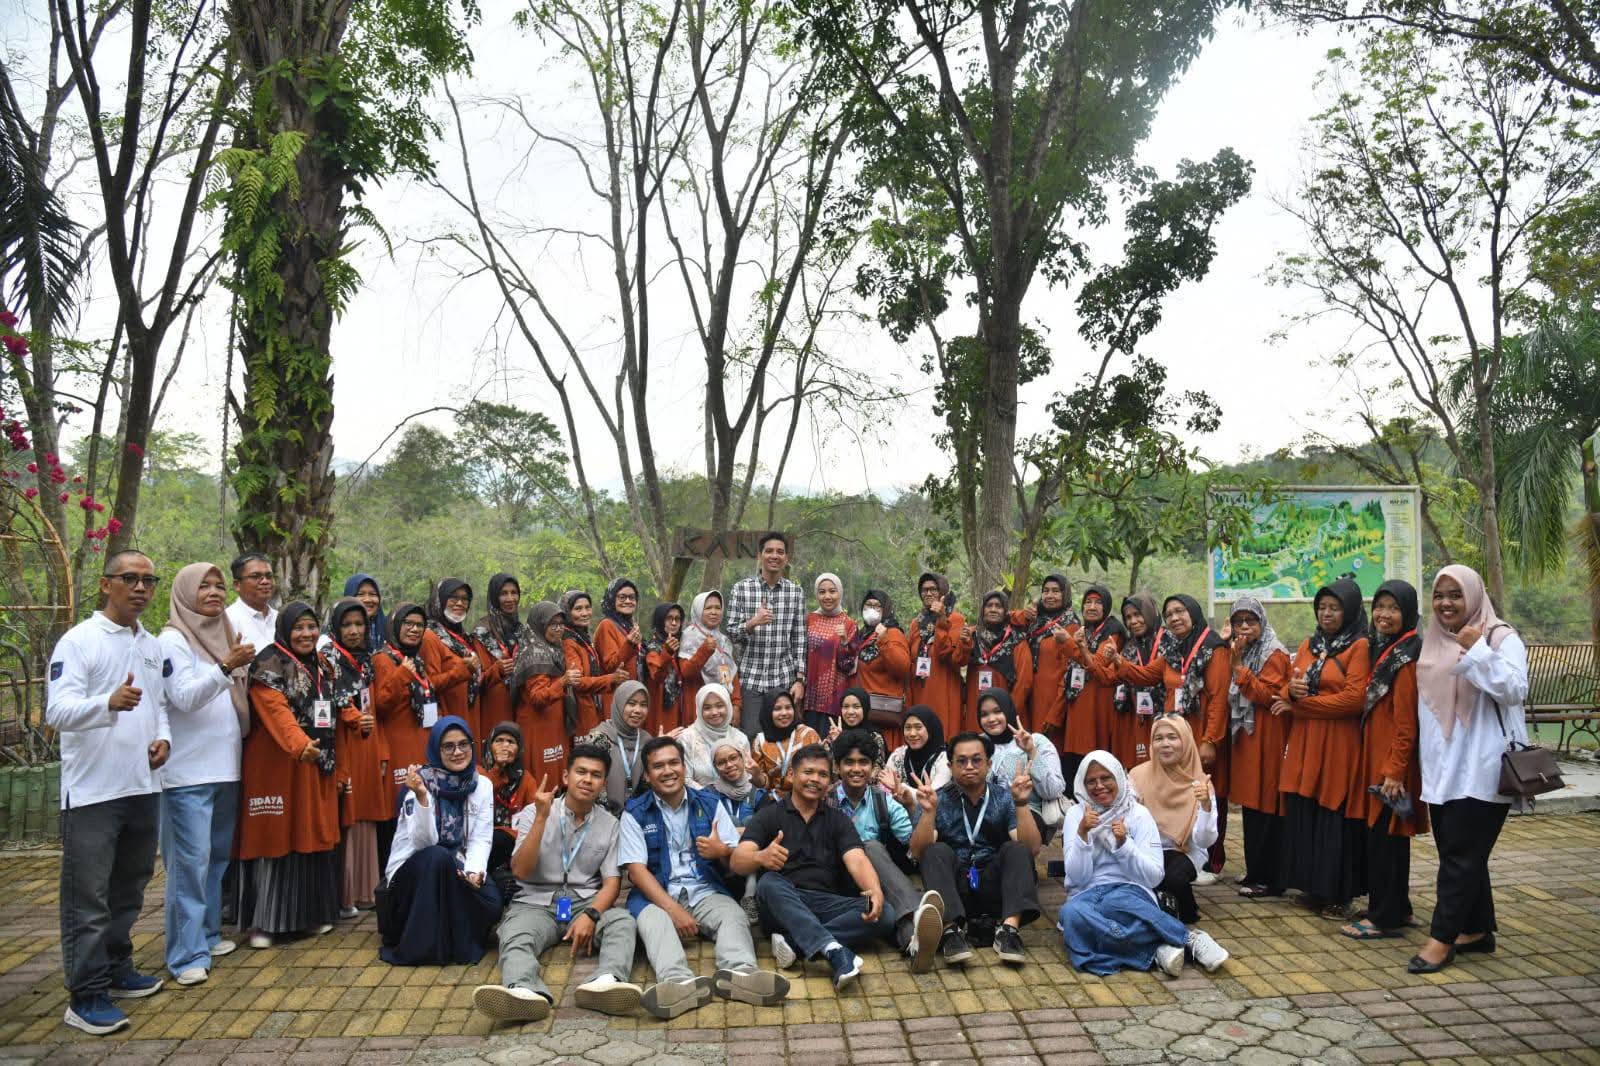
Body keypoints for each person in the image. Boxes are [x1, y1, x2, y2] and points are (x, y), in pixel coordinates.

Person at [47, 550, 172, 1034]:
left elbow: (159, 706)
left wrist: (164, 738)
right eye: (129, 578)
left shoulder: (151, 644)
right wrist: (108, 703)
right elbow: (58, 713)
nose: (140, 587)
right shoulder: (79, 641)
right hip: (94, 792)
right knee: (88, 898)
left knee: (130, 888)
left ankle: (119, 969)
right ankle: (86, 995)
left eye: (148, 580)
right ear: (106, 584)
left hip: (142, 784)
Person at [1408, 565, 1527, 974]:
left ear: (1474, 597)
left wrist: (1478, 651)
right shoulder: (1432, 643)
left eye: (1456, 595)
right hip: (1443, 771)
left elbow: (1515, 689)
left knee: (1459, 857)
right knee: (1459, 853)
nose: (1446, 603)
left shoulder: (1500, 637)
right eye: (1440, 595)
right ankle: (1477, 929)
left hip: (1483, 770)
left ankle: (1442, 939)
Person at [620, 736, 790, 1019]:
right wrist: (673, 910)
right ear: (648, 776)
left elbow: (733, 861)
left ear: (684, 767)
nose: (668, 771)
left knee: (733, 916)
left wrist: (721, 850)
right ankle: (677, 982)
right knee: (655, 922)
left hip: (704, 888)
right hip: (657, 893)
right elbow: (637, 872)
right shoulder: (635, 812)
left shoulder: (709, 802)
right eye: (658, 766)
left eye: (674, 762)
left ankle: (739, 973)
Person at [473, 745, 642, 1023]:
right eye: (581, 772)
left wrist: (591, 915)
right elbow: (521, 871)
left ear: (603, 784)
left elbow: (612, 883)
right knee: (514, 935)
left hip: (583, 901)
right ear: (566, 776)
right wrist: (541, 818)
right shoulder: (534, 811)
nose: (587, 780)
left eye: (596, 775)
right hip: (535, 901)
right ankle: (523, 991)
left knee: (623, 923)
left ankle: (606, 982)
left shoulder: (610, 824)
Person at [157, 562, 255, 988]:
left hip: (225, 768)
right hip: (188, 774)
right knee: (188, 867)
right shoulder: (173, 640)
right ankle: (185, 954)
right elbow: (183, 697)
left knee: (215, 862)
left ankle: (209, 935)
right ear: (184, 592)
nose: (213, 592)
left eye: (218, 586)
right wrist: (224, 667)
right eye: (204, 586)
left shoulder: (225, 635)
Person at [731, 743, 890, 989]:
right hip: (783, 902)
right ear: (792, 775)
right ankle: (835, 951)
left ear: (829, 780)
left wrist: (875, 890)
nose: (815, 779)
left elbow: (857, 858)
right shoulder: (770, 815)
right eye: (808, 772)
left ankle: (795, 942)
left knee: (885, 912)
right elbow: (738, 860)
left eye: (823, 774)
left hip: (826, 902)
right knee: (768, 883)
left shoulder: (837, 819)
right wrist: (761, 857)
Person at [238, 602, 341, 950]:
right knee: (276, 838)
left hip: (314, 762)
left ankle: (304, 918)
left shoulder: (321, 664)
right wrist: (299, 745)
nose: (306, 634)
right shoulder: (270, 664)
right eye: (298, 628)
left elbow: (332, 709)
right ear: (284, 630)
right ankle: (263, 925)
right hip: (278, 765)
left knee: (307, 834)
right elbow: (275, 711)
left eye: (311, 627)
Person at [1273, 578, 1371, 921]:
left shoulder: (1359, 646)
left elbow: (1355, 699)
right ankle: (1313, 887)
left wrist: (1303, 706)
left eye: (1334, 608)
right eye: (1322, 607)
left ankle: (1339, 893)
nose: (1327, 614)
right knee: (1306, 811)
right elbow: (1287, 690)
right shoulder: (1309, 644)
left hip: (1338, 743)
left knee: (1334, 814)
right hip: (1305, 743)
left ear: (1351, 611)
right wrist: (1292, 691)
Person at [1112, 595, 1230, 876]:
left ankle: (1211, 861)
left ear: (1193, 612)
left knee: (1204, 792)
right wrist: (1119, 662)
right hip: (1173, 732)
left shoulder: (1215, 648)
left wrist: (1210, 740)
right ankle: (1179, 848)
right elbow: (1145, 676)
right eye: (1169, 614)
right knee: (1175, 792)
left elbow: (1218, 699)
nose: (1175, 618)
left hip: (1199, 733)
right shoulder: (1173, 650)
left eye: (1180, 611)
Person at [909, 731, 1042, 967]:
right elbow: (919, 852)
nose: (969, 766)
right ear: (950, 766)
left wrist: (1021, 804)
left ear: (988, 764)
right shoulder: (935, 798)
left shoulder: (1003, 797)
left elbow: (1032, 849)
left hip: (995, 888)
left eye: (976, 760)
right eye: (961, 761)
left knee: (1017, 848)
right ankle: (950, 932)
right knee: (934, 850)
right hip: (954, 891)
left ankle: (1009, 931)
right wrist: (929, 813)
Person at [1057, 751, 1192, 977]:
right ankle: (1157, 947)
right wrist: (1082, 834)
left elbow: (1154, 877)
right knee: (1069, 914)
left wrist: (1123, 845)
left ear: (1119, 777)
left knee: (1109, 908)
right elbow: (1077, 878)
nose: (1099, 786)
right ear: (1082, 783)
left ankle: (1183, 939)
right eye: (1091, 781)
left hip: (1129, 891)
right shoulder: (1076, 814)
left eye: (1106, 778)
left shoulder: (1138, 814)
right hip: (1086, 894)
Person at [1345, 580, 1428, 942]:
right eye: (1380, 606)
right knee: (1388, 840)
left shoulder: (1406, 658)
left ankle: (1384, 918)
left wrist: (1394, 771)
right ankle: (1398, 906)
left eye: (1394, 608)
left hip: (1391, 767)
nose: (1384, 615)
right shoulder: (1388, 650)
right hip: (1379, 759)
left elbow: (1407, 723)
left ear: (1407, 612)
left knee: (1386, 841)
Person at [382, 716, 502, 966]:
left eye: (463, 744)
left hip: (456, 864)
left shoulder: (481, 784)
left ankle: (450, 931)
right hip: (415, 869)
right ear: (436, 749)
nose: (458, 752)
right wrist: (422, 797)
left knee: (492, 903)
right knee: (437, 857)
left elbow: (481, 837)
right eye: (448, 746)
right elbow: (421, 844)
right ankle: (426, 947)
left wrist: (473, 872)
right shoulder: (418, 783)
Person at [827, 730, 945, 972]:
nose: (856, 769)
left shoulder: (884, 801)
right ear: (837, 766)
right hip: (833, 880)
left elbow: (915, 848)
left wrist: (924, 812)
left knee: (889, 912)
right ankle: (916, 915)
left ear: (872, 768)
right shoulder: (823, 800)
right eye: (849, 762)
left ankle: (913, 943)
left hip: (873, 887)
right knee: (867, 846)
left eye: (863, 762)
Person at [1126, 716, 1230, 972]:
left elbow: (1205, 841)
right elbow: (1129, 824)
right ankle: (1180, 920)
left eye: (1172, 737)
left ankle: (1171, 924)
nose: (1165, 744)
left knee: (1170, 876)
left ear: (1186, 742)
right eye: (1158, 738)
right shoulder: (1138, 776)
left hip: (1183, 851)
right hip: (1146, 847)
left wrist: (1205, 806)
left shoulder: (1200, 784)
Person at [372, 603, 461, 873]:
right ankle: (394, 874)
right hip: (398, 746)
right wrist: (401, 674)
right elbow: (382, 705)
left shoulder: (417, 659)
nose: (414, 629)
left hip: (422, 742)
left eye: (419, 625)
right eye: (408, 623)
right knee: (397, 810)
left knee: (423, 808)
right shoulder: (383, 659)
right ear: (395, 625)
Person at [321, 597, 385, 919]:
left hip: (365, 741)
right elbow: (324, 701)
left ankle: (363, 889)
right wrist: (350, 717)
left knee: (364, 813)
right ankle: (343, 894)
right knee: (346, 812)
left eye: (360, 624)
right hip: (342, 742)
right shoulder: (327, 659)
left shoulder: (367, 660)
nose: (354, 631)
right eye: (347, 624)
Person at [1224, 596, 1292, 898]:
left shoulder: (1272, 651)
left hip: (1267, 734)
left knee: (1266, 804)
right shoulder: (1244, 650)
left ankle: (1271, 878)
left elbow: (1267, 696)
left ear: (1261, 622)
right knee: (1252, 806)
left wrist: (1238, 667)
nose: (1244, 626)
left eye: (1250, 620)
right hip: (1248, 736)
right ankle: (1256, 871)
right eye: (1239, 621)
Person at [725, 532, 807, 740]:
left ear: (786, 558)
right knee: (751, 738)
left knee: (782, 739)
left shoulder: (795, 592)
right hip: (751, 681)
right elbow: (732, 634)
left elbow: (799, 640)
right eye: (769, 551)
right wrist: (753, 623)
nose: (774, 556)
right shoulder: (741, 589)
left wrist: (799, 680)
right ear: (759, 556)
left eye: (780, 552)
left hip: (782, 679)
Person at [976, 688, 1067, 843]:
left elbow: (1053, 790)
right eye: (984, 714)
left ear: (1008, 710)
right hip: (984, 813)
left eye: (997, 711)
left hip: (1026, 812)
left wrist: (1031, 752)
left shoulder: (1037, 741)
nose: (991, 719)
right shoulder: (977, 744)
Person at [1064, 584, 1126, 784]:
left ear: (1106, 607)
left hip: (1100, 706)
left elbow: (1097, 664)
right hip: (1078, 705)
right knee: (1075, 763)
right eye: (1088, 602)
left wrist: (1069, 644)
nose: (1092, 607)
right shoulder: (1085, 630)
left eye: (1098, 603)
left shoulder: (1112, 632)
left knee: (1096, 758)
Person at [837, 589, 911, 749]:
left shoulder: (893, 633)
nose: (872, 609)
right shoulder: (863, 634)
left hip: (883, 714)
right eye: (868, 605)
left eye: (877, 606)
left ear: (886, 609)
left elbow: (902, 668)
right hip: (862, 713)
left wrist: (883, 640)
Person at [511, 602, 574, 784]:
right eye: (552, 624)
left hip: (554, 725)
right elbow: (537, 698)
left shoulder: (553, 649)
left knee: (557, 778)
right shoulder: (534, 652)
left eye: (561, 624)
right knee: (542, 782)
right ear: (539, 624)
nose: (558, 629)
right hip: (538, 728)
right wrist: (562, 682)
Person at [1012, 574, 1077, 749]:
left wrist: (1055, 714)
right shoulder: (1035, 620)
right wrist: (1023, 615)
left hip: (1051, 704)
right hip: (1028, 699)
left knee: (1047, 753)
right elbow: (1004, 619)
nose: (1049, 596)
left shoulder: (1070, 626)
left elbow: (1069, 674)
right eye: (1046, 591)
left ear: (1065, 594)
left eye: (1056, 591)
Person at [956, 591, 1033, 733]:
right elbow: (958, 661)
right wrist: (964, 643)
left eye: (998, 606)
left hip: (1004, 714)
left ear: (1005, 611)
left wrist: (1009, 712)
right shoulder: (972, 634)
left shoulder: (1016, 640)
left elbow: (1024, 682)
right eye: (989, 605)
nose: (993, 609)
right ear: (982, 610)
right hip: (976, 711)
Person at [905, 572, 966, 738]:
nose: (928, 593)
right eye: (924, 590)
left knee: (943, 737)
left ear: (943, 592)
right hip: (920, 689)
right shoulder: (916, 622)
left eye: (933, 589)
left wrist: (941, 619)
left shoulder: (956, 619)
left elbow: (946, 654)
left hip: (944, 688)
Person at [583, 680, 656, 813]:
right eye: (631, 703)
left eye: (643, 705)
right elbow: (588, 781)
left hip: (635, 817)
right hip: (600, 816)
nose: (638, 710)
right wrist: (612, 818)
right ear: (619, 704)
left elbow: (646, 786)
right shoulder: (599, 738)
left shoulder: (647, 740)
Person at [483, 721, 538, 896]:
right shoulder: (479, 773)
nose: (505, 745)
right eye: (499, 740)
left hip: (516, 843)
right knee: (496, 838)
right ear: (489, 745)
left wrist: (510, 834)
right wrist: (497, 769)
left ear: (519, 749)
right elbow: (481, 796)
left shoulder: (526, 779)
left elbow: (534, 816)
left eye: (511, 741)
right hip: (485, 843)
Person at [1113, 594, 1165, 768]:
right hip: (1137, 718)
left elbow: (1146, 675)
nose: (1133, 621)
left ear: (1150, 613)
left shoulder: (1170, 642)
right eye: (1128, 617)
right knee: (1141, 767)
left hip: (1165, 718)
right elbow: (1108, 676)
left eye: (1138, 615)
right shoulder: (1128, 647)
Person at [425, 578, 483, 736]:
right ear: (441, 600)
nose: (460, 603)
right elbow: (428, 684)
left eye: (465, 599)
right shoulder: (430, 636)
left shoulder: (464, 637)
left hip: (469, 716)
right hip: (446, 722)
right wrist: (462, 671)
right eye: (453, 597)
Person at [565, 589, 627, 734]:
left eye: (587, 607)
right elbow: (578, 682)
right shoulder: (569, 641)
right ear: (567, 612)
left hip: (592, 708)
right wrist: (610, 679)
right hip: (580, 713)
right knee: (590, 754)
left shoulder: (581, 637)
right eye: (578, 609)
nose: (585, 613)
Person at [473, 573, 523, 736]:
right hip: (495, 708)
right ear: (494, 596)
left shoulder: (521, 630)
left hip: (522, 705)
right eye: (503, 593)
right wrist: (497, 670)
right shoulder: (482, 631)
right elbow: (475, 679)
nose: (510, 598)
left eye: (513, 592)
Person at [804, 573, 855, 733]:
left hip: (834, 697)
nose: (827, 596)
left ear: (839, 592)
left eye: (832, 591)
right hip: (809, 695)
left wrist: (845, 642)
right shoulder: (809, 619)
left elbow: (849, 666)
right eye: (822, 592)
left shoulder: (849, 623)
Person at [881, 705, 950, 818]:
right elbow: (884, 792)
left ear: (930, 729)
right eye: (907, 728)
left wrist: (899, 787)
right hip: (898, 820)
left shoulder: (943, 759)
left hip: (935, 823)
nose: (912, 733)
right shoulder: (898, 755)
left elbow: (933, 799)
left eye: (918, 727)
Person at [752, 690, 821, 799]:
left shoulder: (808, 734)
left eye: (788, 708)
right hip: (776, 801)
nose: (784, 713)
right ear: (768, 712)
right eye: (777, 709)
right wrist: (756, 776)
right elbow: (764, 784)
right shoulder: (760, 741)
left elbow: (823, 771)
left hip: (808, 797)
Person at [680, 683, 750, 788]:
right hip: (700, 800)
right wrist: (713, 799)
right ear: (699, 710)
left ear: (728, 706)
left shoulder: (739, 738)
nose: (714, 712)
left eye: (719, 706)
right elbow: (685, 779)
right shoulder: (687, 738)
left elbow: (746, 776)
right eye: (707, 708)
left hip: (736, 799)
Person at [594, 578, 644, 703]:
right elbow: (610, 666)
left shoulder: (630, 626)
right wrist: (629, 644)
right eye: (622, 597)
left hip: (632, 694)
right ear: (612, 600)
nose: (628, 601)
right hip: (614, 697)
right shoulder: (607, 625)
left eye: (632, 597)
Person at [642, 603, 688, 734]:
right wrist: (666, 652)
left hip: (679, 707)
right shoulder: (653, 646)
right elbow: (656, 675)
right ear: (660, 620)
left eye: (677, 619)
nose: (674, 623)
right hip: (658, 707)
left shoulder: (682, 645)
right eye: (669, 618)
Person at [226, 552, 277, 651]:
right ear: (237, 585)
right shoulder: (228, 621)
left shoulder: (281, 619)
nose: (265, 581)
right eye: (255, 576)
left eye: (269, 576)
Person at [826, 686, 888, 769]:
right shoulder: (834, 734)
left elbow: (877, 773)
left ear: (865, 708)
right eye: (846, 706)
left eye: (856, 707)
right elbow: (827, 771)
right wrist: (838, 742)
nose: (850, 712)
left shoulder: (874, 737)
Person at [343, 573, 386, 653]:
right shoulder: (335, 631)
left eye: (373, 594)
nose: (367, 599)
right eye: (360, 594)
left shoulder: (388, 628)